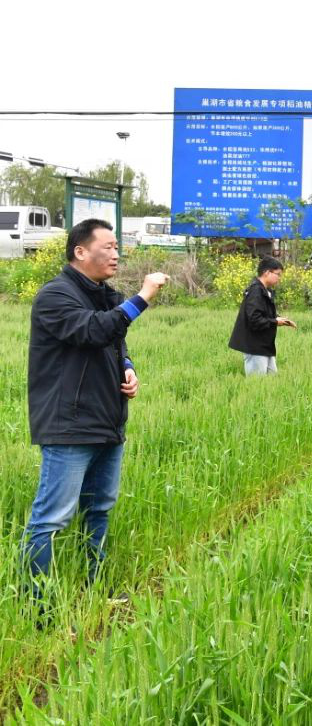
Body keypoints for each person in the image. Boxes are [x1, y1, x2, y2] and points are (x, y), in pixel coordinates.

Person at [24, 218, 169, 598]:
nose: (116, 254)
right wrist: (142, 297)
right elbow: (92, 331)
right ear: (80, 251)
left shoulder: (105, 295)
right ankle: (37, 606)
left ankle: (95, 587)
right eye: (108, 247)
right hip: (69, 424)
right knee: (51, 519)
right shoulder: (55, 295)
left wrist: (128, 367)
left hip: (107, 419)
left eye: (117, 247)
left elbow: (115, 339)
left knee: (99, 509)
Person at [228, 256, 295, 376]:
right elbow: (255, 320)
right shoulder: (256, 291)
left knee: (272, 380)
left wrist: (280, 319)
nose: (279, 278)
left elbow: (264, 313)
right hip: (255, 346)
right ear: (267, 272)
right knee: (257, 383)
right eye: (278, 274)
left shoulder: (265, 290)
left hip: (265, 345)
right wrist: (275, 322)